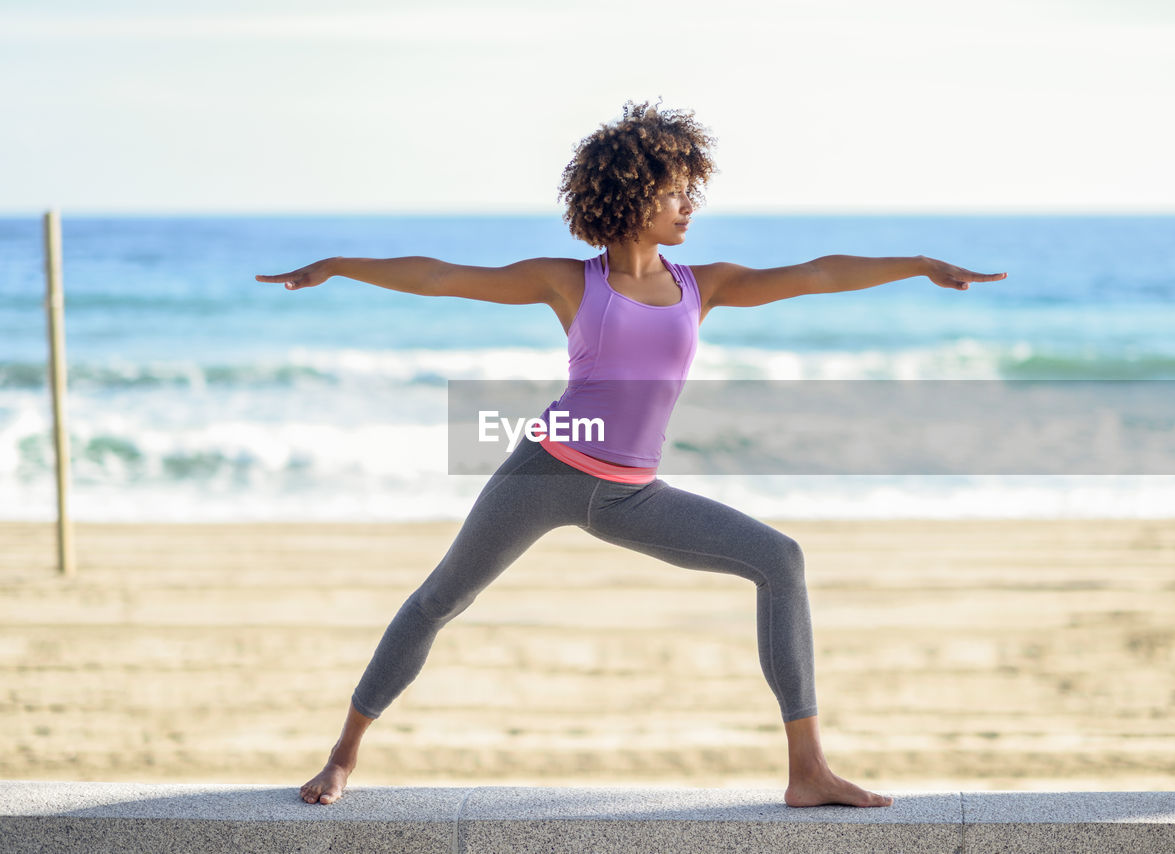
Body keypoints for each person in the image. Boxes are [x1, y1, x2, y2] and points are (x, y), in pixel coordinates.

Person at [256, 100, 1007, 809]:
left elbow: (819, 273)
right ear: (634, 194)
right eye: (677, 191)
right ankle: (343, 756)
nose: (689, 206)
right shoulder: (571, 282)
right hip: (546, 471)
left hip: (631, 495)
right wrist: (340, 265)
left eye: (691, 191)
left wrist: (916, 264)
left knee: (780, 560)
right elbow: (440, 277)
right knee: (441, 599)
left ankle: (808, 771)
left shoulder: (700, 286)